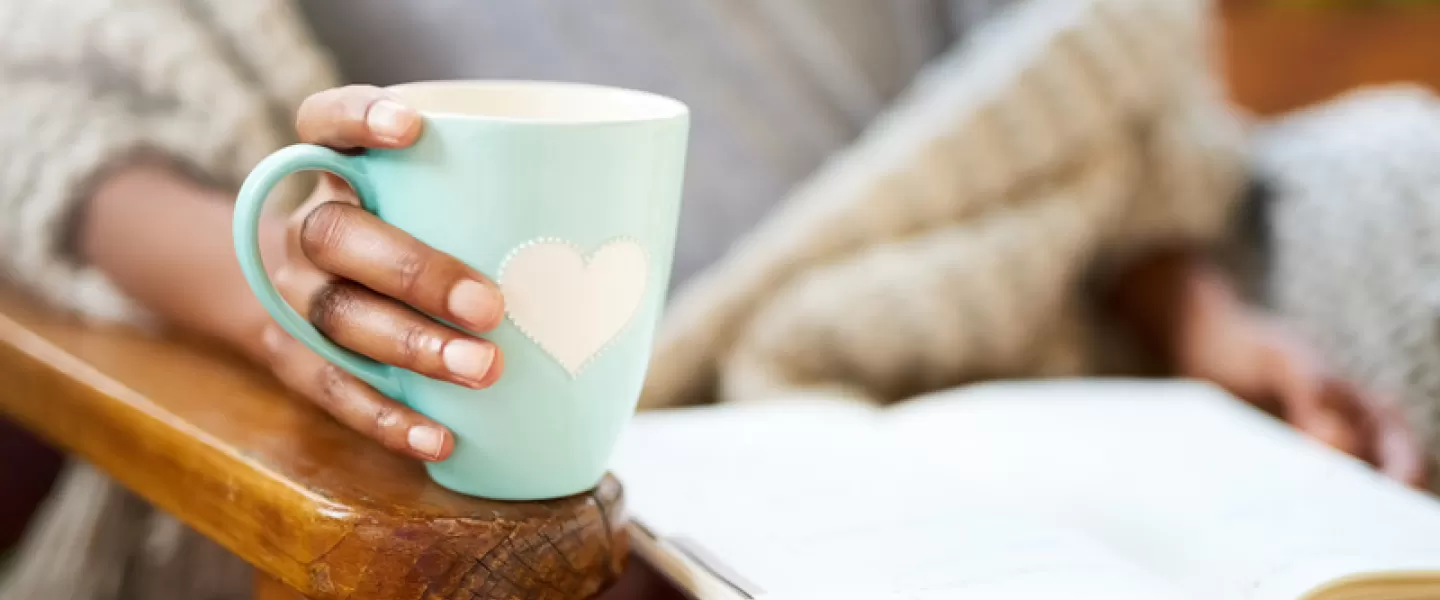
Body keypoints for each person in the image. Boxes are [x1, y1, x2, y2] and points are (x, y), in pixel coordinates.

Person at [0, 0, 1429, 598]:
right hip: (618, 399)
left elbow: (1085, 73)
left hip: (1016, 284)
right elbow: (55, 80)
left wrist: (1199, 316)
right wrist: (276, 282)